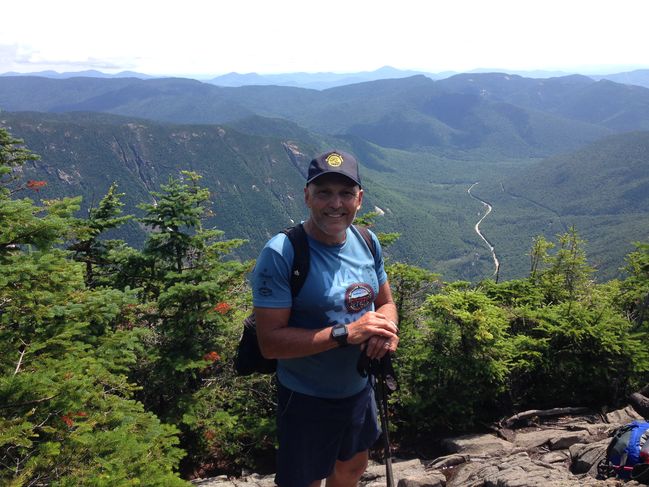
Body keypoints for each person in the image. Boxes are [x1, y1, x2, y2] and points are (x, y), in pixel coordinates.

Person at [251, 149, 399, 487]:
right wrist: (347, 332)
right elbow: (270, 343)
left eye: (345, 193)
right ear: (307, 196)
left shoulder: (367, 241)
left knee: (352, 467)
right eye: (324, 193)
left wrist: (386, 330)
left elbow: (385, 303)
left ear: (359, 199)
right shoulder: (282, 253)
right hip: (305, 397)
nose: (336, 203)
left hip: (358, 389)